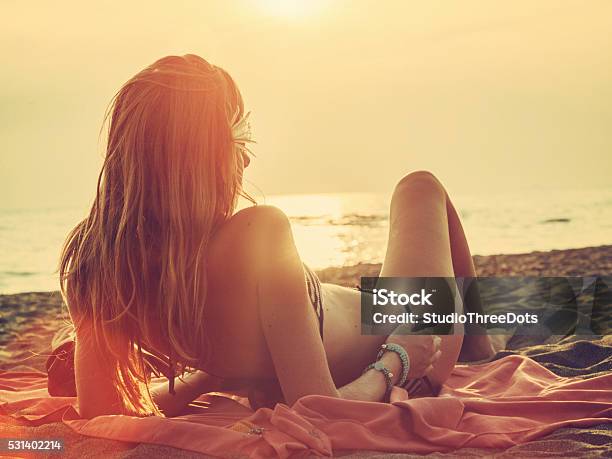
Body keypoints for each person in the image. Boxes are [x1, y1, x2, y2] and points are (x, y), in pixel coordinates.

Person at [56, 54, 498, 418]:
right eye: (236, 142)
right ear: (200, 162)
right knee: (420, 187)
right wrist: (398, 360)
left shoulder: (95, 264)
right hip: (409, 331)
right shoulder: (257, 233)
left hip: (366, 314)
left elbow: (104, 415)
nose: (244, 164)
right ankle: (480, 343)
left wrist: (205, 378)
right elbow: (321, 411)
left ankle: (480, 342)